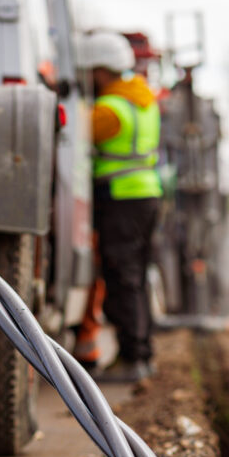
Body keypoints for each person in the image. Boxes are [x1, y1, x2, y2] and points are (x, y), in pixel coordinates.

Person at [76, 31, 162, 382]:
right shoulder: (144, 100)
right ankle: (140, 354)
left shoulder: (109, 109)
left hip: (121, 198)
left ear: (100, 71)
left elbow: (76, 138)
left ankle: (132, 358)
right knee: (136, 278)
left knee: (121, 277)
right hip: (146, 195)